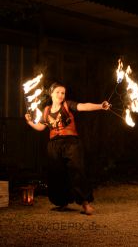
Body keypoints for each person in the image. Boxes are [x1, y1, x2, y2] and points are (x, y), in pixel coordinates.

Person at [25, 82, 110, 215]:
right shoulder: (46, 110)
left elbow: (83, 106)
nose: (60, 95)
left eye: (63, 93)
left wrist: (100, 106)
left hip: (71, 143)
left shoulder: (67, 105)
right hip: (54, 145)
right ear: (51, 94)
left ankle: (85, 204)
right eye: (58, 92)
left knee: (77, 171)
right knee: (57, 173)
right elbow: (41, 127)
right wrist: (30, 122)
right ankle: (62, 202)